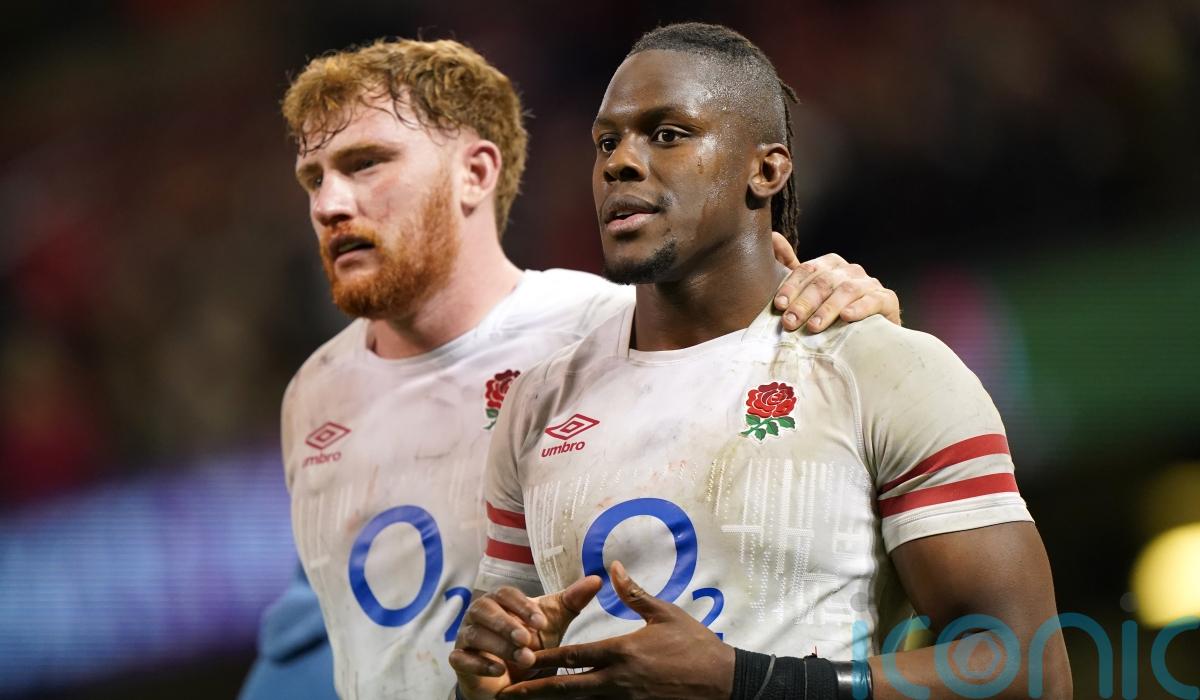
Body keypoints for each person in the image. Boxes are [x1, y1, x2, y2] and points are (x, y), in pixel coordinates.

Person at [245, 37, 903, 700]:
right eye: (313, 178)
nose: (328, 205)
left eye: (365, 164)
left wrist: (853, 307)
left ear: (475, 172)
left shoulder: (603, 331)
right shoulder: (314, 394)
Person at [452, 23, 1072, 700]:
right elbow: (500, 674)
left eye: (667, 134)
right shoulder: (538, 405)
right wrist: (487, 674)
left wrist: (742, 682)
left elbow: (1028, 671)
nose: (619, 163)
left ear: (767, 170)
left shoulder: (888, 372)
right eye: (607, 141)